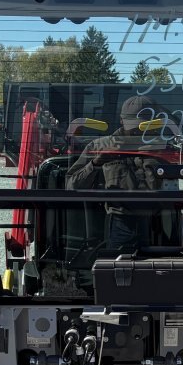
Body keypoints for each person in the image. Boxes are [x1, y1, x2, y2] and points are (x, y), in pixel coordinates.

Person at [66, 95, 168, 253]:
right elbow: (71, 185)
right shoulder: (100, 146)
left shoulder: (165, 148)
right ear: (122, 121)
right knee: (115, 272)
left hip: (158, 224)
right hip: (116, 222)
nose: (136, 131)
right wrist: (95, 164)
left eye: (143, 126)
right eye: (134, 125)